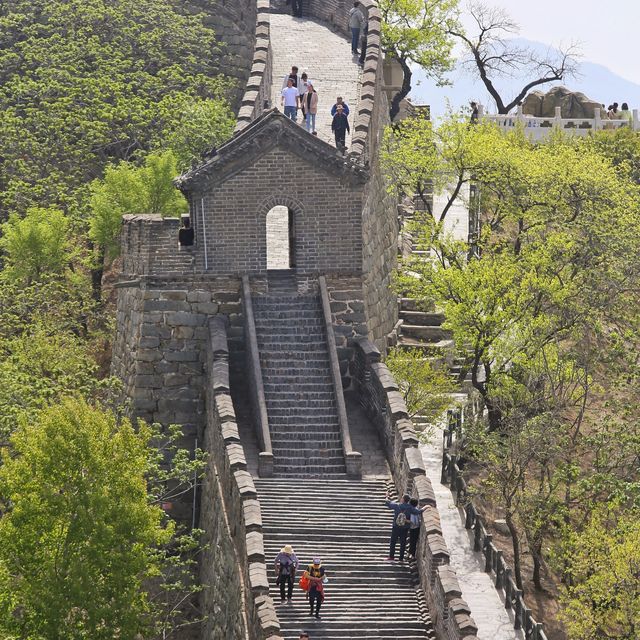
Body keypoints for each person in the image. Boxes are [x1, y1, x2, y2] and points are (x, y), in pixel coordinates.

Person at [385, 493, 426, 562]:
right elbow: (418, 512)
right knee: (403, 543)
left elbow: (388, 504)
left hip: (396, 527)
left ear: (403, 499)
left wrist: (387, 497)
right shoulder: (411, 508)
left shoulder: (397, 506)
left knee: (393, 542)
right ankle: (401, 558)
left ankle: (391, 557)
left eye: (402, 498)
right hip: (405, 528)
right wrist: (425, 507)